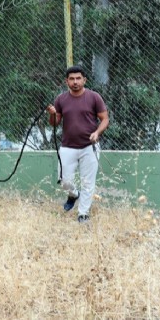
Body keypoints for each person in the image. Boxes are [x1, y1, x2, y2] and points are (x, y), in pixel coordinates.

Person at [46, 65, 109, 223]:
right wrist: (52, 114)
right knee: (65, 181)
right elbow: (54, 123)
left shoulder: (94, 97)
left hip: (89, 146)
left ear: (84, 80)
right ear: (66, 81)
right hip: (67, 146)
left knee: (88, 182)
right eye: (72, 79)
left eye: (78, 78)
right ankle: (74, 195)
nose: (75, 82)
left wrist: (97, 132)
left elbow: (105, 119)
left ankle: (83, 214)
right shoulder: (61, 99)